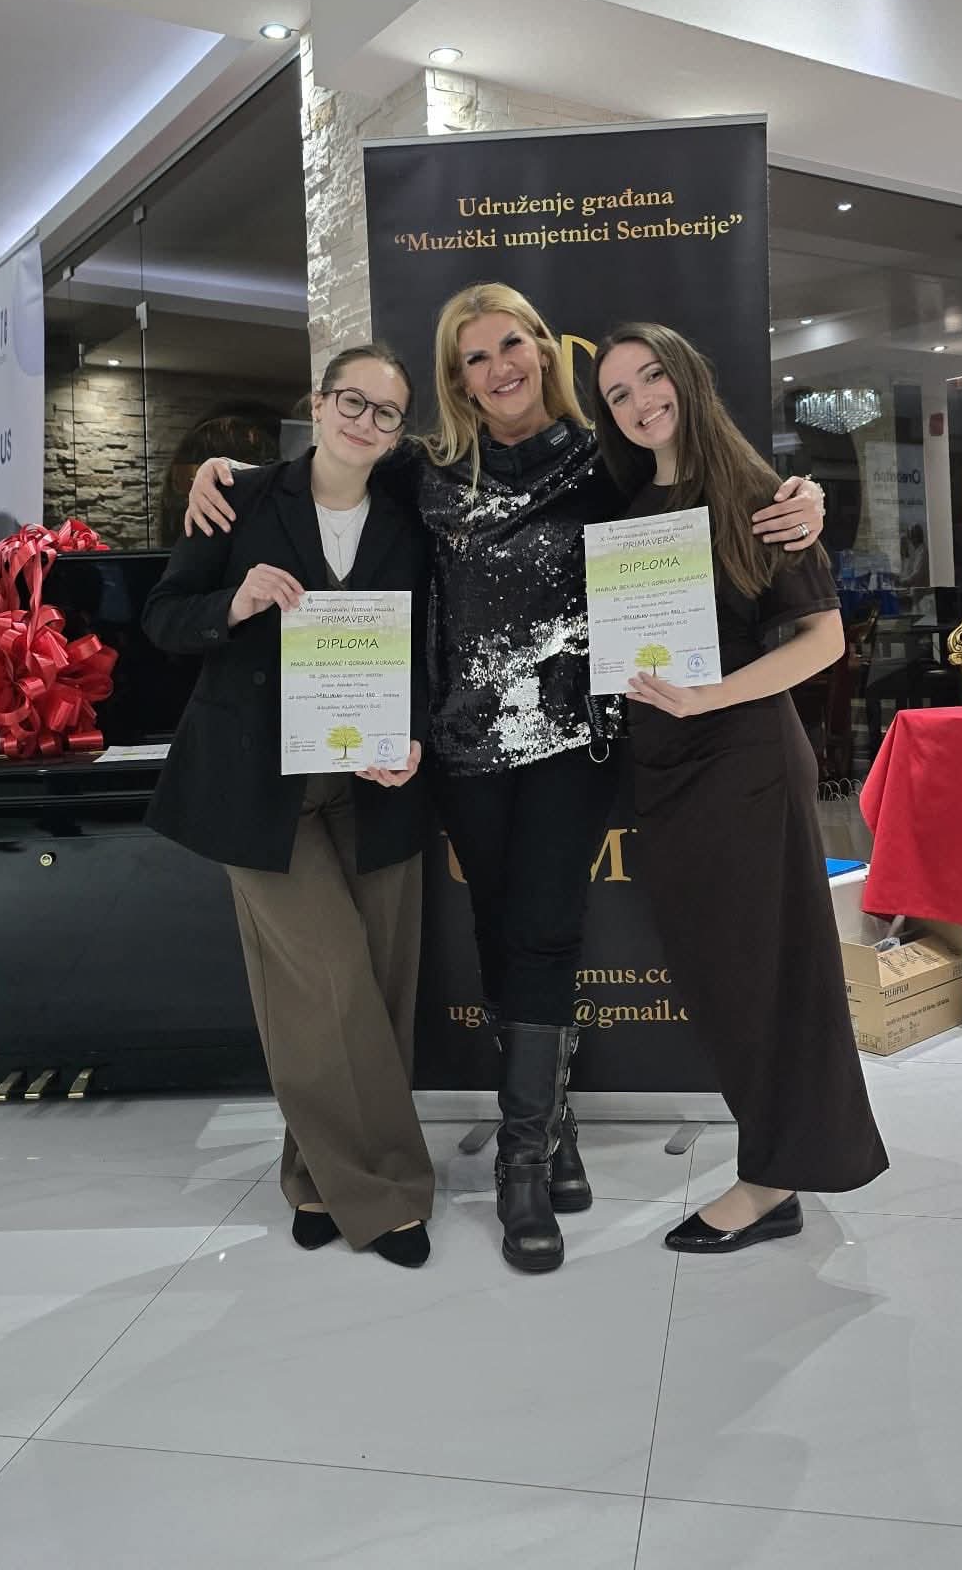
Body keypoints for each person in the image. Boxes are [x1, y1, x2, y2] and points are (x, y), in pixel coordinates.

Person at [186, 284, 827, 1274]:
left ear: (543, 349)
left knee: (546, 932)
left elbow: (697, 481)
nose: (499, 367)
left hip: (577, 745)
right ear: (458, 378)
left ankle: (523, 1166)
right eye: (474, 356)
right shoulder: (426, 468)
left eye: (511, 344)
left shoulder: (603, 459)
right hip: (462, 751)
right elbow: (329, 468)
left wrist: (806, 497)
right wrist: (224, 472)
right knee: (494, 931)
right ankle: (553, 1129)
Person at [593, 322, 888, 1253]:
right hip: (667, 768)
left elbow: (822, 642)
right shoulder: (631, 508)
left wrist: (709, 696)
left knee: (771, 977)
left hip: (744, 762)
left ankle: (771, 1181)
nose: (641, 402)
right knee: (723, 980)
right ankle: (780, 1160)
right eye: (618, 394)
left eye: (651, 378)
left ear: (687, 376)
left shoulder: (762, 498)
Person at [143, 345, 435, 1268]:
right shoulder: (237, 495)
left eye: (386, 413)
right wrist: (233, 602)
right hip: (255, 787)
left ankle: (313, 1177)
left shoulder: (412, 514)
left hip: (376, 783)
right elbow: (163, 617)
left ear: (400, 432)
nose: (365, 422)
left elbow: (432, 643)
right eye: (352, 401)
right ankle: (387, 1195)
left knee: (378, 986)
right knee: (326, 983)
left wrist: (415, 736)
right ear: (319, 400)